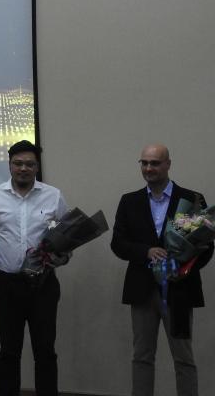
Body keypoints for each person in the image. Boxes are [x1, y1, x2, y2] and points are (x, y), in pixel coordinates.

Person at [110, 143, 212, 396]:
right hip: (142, 291)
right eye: (144, 163)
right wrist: (145, 251)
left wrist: (183, 268)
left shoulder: (192, 199)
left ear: (168, 164)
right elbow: (118, 244)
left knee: (184, 358)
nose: (149, 168)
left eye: (155, 163)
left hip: (179, 290)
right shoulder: (129, 201)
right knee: (142, 356)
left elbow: (205, 247)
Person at [0, 140, 68, 396]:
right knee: (9, 352)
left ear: (37, 167)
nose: (23, 169)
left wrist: (62, 256)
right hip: (7, 285)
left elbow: (66, 238)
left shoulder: (54, 196)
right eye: (18, 163)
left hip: (44, 284)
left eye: (29, 164)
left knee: (45, 351)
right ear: (9, 165)